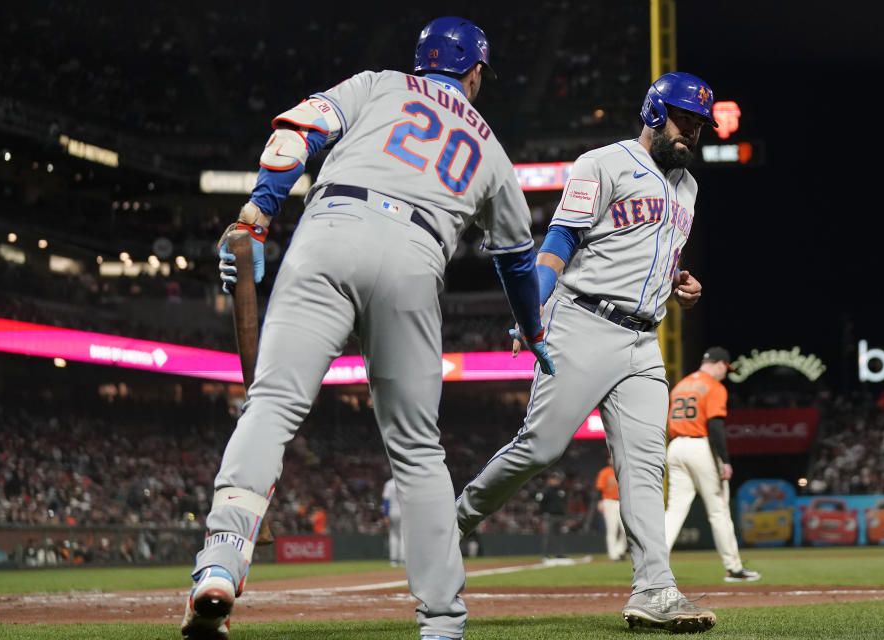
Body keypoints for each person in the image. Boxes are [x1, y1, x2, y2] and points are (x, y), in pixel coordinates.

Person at [180, 16, 555, 640]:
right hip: (416, 253)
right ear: (475, 70)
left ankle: (221, 558)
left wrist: (256, 214)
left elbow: (294, 136)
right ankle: (441, 620)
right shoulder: (489, 145)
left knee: (271, 405)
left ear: (422, 59)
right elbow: (517, 259)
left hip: (329, 228)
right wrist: (533, 331)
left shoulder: (380, 83)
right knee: (416, 448)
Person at [455, 71, 718, 632]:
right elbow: (560, 241)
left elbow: (653, 258)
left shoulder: (688, 189)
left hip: (644, 341)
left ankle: (655, 590)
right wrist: (531, 309)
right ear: (653, 112)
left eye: (699, 124)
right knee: (539, 449)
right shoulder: (601, 164)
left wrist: (681, 283)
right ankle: (455, 520)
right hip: (581, 323)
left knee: (644, 468)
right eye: (684, 119)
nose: (691, 132)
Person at [665, 346, 761, 583]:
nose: (725, 373)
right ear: (719, 364)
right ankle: (734, 568)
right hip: (700, 446)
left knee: (674, 510)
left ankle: (652, 565)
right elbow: (716, 427)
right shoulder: (714, 386)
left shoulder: (681, 385)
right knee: (718, 511)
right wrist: (725, 461)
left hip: (676, 445)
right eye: (725, 369)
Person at [595, 452, 627, 561]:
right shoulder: (604, 472)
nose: (612, 460)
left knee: (626, 529)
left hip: (623, 501)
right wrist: (600, 501)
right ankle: (613, 555)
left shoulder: (624, 470)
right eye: (611, 458)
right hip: (609, 501)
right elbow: (599, 489)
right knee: (611, 529)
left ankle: (619, 550)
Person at [535, 470, 568, 559]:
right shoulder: (545, 490)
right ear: (550, 480)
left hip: (559, 516)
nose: (557, 481)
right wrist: (542, 513)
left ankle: (559, 554)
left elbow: (564, 503)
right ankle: (545, 554)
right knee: (547, 536)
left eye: (558, 479)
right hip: (549, 515)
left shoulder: (561, 491)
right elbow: (539, 501)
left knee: (558, 536)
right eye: (555, 479)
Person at [382, 475, 404, 567]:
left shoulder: (389, 484)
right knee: (403, 535)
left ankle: (393, 560)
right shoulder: (404, 481)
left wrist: (386, 515)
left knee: (393, 535)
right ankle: (403, 559)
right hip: (404, 510)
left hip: (392, 510)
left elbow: (386, 501)